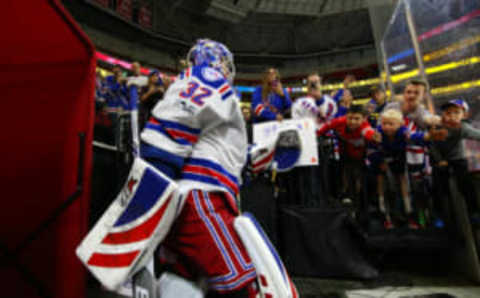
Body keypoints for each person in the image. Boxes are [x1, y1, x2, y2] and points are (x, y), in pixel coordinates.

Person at [140, 39, 258, 296]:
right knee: (241, 285)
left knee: (184, 281)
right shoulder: (207, 76)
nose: (227, 71)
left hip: (193, 199)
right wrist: (156, 183)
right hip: (202, 198)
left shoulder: (217, 98)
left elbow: (218, 147)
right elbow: (175, 120)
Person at [371, 109, 436, 229]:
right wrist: (380, 161)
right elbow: (373, 148)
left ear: (399, 124)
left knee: (404, 184)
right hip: (384, 160)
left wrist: (428, 136)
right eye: (384, 123)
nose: (387, 127)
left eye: (391, 124)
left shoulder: (403, 132)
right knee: (386, 186)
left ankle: (409, 212)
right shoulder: (378, 133)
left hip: (400, 159)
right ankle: (385, 214)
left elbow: (415, 136)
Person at [317, 105, 381, 206]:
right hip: (345, 153)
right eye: (350, 118)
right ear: (346, 116)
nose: (352, 122)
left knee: (359, 177)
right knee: (346, 174)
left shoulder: (365, 127)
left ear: (364, 119)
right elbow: (324, 128)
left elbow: (369, 132)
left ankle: (360, 200)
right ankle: (347, 195)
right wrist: (318, 134)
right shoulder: (339, 121)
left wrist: (375, 137)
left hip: (361, 156)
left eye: (357, 119)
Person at [431, 99, 480, 225]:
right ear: (443, 114)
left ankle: (473, 212)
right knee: (438, 186)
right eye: (448, 112)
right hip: (440, 158)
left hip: (458, 158)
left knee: (466, 184)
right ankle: (440, 214)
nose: (452, 116)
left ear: (464, 115)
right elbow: (432, 145)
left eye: (456, 112)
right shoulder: (437, 126)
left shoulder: (463, 128)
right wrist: (439, 160)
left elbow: (477, 135)